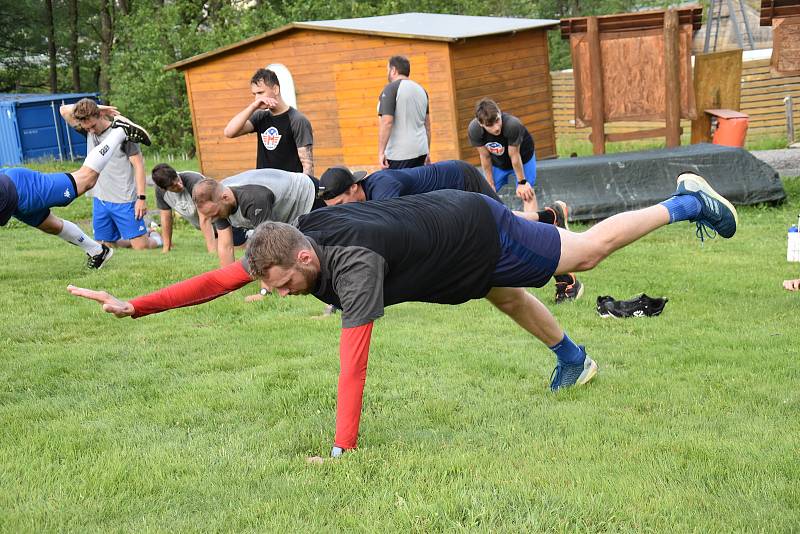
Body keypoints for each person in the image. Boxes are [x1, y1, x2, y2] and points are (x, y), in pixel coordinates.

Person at [69, 172, 737, 460]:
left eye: (285, 285)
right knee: (502, 296)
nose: (280, 292)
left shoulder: (352, 269)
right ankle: (574, 361)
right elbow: (218, 279)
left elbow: (353, 365)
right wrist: (136, 307)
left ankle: (684, 203)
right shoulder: (283, 242)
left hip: (474, 231)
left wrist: (341, 449)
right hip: (449, 248)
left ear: (306, 258)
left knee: (586, 254)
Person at [318, 160, 584, 303]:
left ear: (353, 187)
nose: (341, 211)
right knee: (512, 228)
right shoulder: (370, 195)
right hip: (454, 200)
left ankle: (568, 280)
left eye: (341, 204)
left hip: (463, 183)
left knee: (513, 236)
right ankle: (550, 217)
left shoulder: (384, 191)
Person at [0, 116, 151, 268]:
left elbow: (64, 110)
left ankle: (120, 131)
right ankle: (97, 251)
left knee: (86, 180)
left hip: (18, 188)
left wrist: (98, 110)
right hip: (10, 201)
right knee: (50, 225)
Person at [60, 99, 161, 250]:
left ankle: (156, 237)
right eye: (87, 128)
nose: (91, 131)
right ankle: (140, 234)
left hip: (124, 199)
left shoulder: (122, 132)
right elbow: (63, 110)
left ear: (100, 116)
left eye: (93, 126)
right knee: (104, 247)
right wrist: (101, 107)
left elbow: (139, 165)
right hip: (100, 200)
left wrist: (141, 198)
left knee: (141, 247)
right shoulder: (88, 130)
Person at [191, 169, 325, 267]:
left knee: (320, 250)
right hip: (283, 209)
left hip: (308, 195)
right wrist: (228, 287)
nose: (214, 219)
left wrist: (265, 290)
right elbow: (226, 246)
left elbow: (268, 244)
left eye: (214, 214)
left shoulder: (253, 199)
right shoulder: (217, 201)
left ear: (225, 198)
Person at [224, 68, 314, 175]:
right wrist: (253, 107)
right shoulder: (260, 116)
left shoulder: (297, 120)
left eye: (261, 92)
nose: (257, 98)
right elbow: (229, 132)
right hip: (264, 185)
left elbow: (307, 164)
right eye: (255, 94)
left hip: (289, 187)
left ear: (275, 90)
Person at [468, 98, 539, 212]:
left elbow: (514, 156)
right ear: (481, 123)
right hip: (498, 161)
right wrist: (490, 184)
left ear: (499, 112)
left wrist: (522, 182)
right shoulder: (474, 130)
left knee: (527, 193)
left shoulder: (512, 125)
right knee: (486, 194)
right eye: (490, 125)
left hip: (523, 158)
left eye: (497, 120)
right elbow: (485, 157)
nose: (496, 128)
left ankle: (533, 227)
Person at [150, 163, 219, 254]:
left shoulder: (195, 181)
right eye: (173, 186)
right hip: (214, 231)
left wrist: (212, 251)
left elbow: (205, 218)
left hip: (226, 223)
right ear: (164, 189)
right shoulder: (161, 192)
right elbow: (166, 219)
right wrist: (166, 249)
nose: (180, 185)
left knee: (231, 249)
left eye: (178, 179)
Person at [377, 55, 431, 169]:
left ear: (393, 70)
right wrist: (427, 151)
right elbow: (427, 126)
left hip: (399, 155)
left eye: (388, 69)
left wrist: (381, 152)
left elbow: (387, 122)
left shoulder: (390, 89)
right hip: (421, 151)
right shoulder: (422, 90)